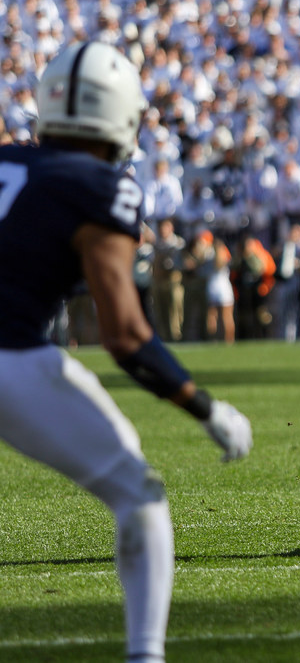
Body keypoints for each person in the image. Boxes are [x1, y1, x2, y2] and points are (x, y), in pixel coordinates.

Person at [0, 42, 252, 663]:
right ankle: (145, 655)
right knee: (139, 497)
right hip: (10, 361)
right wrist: (205, 408)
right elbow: (126, 337)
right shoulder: (100, 185)